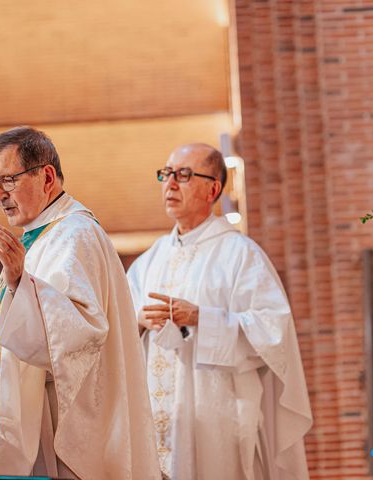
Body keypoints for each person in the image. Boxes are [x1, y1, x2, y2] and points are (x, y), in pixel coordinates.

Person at [0, 126, 161, 480]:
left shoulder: (74, 236)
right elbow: (32, 322)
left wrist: (18, 284)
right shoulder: (46, 237)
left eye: (7, 180)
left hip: (71, 427)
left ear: (47, 176)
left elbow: (77, 337)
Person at [127, 143, 312, 480]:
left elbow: (274, 330)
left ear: (213, 188)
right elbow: (122, 324)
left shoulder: (240, 255)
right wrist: (138, 321)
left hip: (216, 418)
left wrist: (202, 318)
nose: (169, 184)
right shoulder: (148, 261)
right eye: (166, 174)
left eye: (182, 175)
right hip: (157, 418)